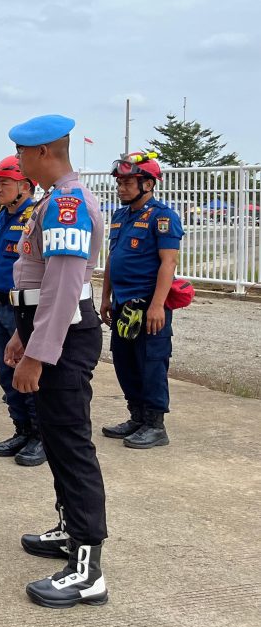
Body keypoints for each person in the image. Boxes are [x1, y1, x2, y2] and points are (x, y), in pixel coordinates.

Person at [4, 114, 108, 609]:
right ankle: (70, 530)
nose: (18, 159)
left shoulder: (68, 204)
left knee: (71, 445)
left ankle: (87, 571)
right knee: (58, 440)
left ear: (43, 151)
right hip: (48, 331)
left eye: (22, 151)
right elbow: (39, 279)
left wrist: (39, 354)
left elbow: (65, 285)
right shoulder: (52, 200)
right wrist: (23, 336)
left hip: (64, 340)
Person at [101, 150, 184, 450]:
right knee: (124, 362)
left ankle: (155, 425)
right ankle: (137, 417)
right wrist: (106, 297)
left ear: (148, 184)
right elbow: (112, 258)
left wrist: (158, 305)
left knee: (151, 363)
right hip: (122, 304)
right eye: (119, 183)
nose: (121, 188)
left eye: (128, 182)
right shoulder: (120, 216)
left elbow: (168, 263)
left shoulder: (163, 217)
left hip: (149, 304)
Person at [0, 157, 45, 467]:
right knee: (6, 374)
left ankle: (40, 436)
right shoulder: (2, 216)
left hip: (23, 308)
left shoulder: (35, 216)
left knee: (28, 375)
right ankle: (21, 429)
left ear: (25, 186)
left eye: (4, 183)